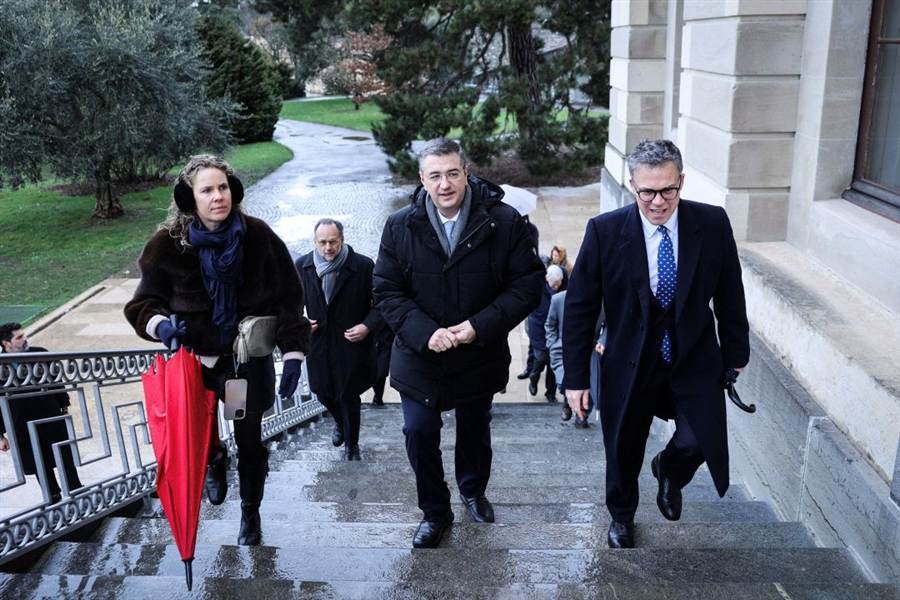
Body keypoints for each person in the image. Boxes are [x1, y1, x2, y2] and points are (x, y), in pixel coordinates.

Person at [562, 139, 749, 549]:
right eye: (647, 192)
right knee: (623, 448)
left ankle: (669, 469)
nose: (658, 202)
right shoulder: (605, 231)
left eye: (668, 190)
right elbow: (579, 309)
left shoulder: (712, 223)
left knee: (699, 440)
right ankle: (622, 517)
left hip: (693, 357)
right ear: (632, 185)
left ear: (681, 181)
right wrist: (575, 379)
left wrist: (736, 354)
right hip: (629, 362)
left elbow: (730, 293)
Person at [124, 154, 310, 546]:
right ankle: (213, 457)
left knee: (249, 440)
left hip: (242, 367)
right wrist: (162, 326)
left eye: (223, 187)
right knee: (198, 432)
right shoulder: (167, 246)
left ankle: (250, 513)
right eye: (207, 190)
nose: (217, 196)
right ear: (189, 198)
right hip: (196, 365)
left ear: (233, 191)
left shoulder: (258, 236)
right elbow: (143, 304)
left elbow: (289, 297)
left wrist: (293, 353)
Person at [374, 138, 544, 549]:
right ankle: (435, 511)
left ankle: (472, 491)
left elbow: (527, 285)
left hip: (477, 352)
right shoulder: (399, 225)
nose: (445, 184)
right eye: (435, 176)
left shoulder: (504, 221)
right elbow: (386, 289)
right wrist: (424, 333)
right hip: (419, 353)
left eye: (452, 173)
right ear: (422, 179)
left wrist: (478, 327)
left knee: (474, 427)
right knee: (418, 431)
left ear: (466, 172)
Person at [295, 218, 383, 460]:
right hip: (319, 343)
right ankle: (340, 424)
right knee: (322, 392)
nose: (328, 248)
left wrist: (366, 326)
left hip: (351, 343)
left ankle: (352, 446)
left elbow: (382, 303)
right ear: (315, 242)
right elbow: (291, 305)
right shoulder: (302, 266)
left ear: (342, 240)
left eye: (333, 242)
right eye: (322, 242)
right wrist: (301, 323)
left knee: (348, 394)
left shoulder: (363, 266)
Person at [0, 323, 83, 503]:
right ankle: (52, 494)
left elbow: (56, 381)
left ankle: (75, 488)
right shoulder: (0, 365)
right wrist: (0, 435)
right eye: (19, 337)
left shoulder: (40, 354)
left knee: (63, 452)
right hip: (20, 422)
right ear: (6, 343)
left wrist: (63, 405)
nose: (25, 339)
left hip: (50, 413)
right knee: (37, 458)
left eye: (24, 335)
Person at [527, 265, 565, 402]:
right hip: (539, 330)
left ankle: (551, 393)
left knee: (553, 363)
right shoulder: (538, 288)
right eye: (553, 284)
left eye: (558, 284)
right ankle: (533, 378)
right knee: (541, 358)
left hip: (556, 331)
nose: (556, 286)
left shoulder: (563, 287)